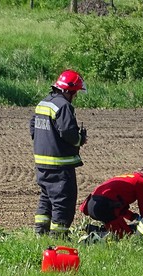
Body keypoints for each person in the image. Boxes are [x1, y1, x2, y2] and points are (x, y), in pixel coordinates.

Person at [30, 69, 88, 238]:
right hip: (60, 165)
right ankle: (59, 236)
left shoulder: (43, 103)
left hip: (42, 164)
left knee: (46, 198)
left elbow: (33, 127)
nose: (75, 96)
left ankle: (40, 232)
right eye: (75, 93)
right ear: (68, 91)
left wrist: (45, 141)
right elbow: (68, 133)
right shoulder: (63, 106)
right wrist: (80, 140)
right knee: (63, 201)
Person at [79, 167, 143, 237]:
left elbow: (118, 205)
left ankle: (93, 230)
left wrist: (133, 216)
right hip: (103, 207)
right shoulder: (142, 182)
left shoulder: (129, 177)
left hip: (92, 204)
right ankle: (93, 237)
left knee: (117, 231)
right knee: (125, 235)